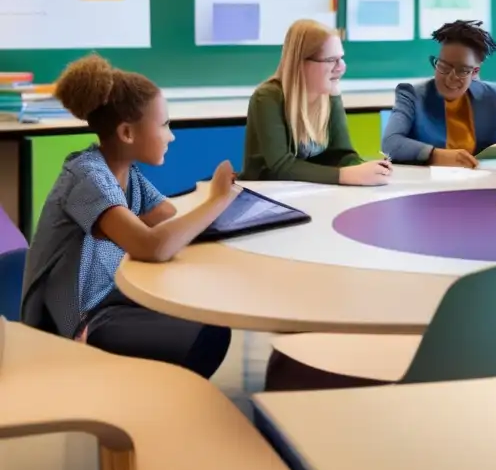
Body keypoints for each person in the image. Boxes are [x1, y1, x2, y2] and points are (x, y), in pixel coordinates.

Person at [20, 55, 235, 378]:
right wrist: (217, 201)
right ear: (127, 133)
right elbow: (150, 245)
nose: (171, 135)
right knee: (205, 335)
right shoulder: (87, 176)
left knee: (208, 314)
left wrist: (218, 209)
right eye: (164, 124)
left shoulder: (125, 174)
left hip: (112, 298)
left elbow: (169, 216)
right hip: (77, 323)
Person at [241, 19, 391, 185]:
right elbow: (281, 166)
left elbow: (341, 154)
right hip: (266, 196)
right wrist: (346, 175)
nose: (341, 67)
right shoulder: (267, 97)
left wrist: (365, 169)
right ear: (302, 63)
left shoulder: (329, 93)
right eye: (331, 60)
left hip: (311, 193)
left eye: (341, 58)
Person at [382, 20, 496, 167]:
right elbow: (390, 142)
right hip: (427, 185)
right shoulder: (412, 94)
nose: (451, 77)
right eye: (443, 66)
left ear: (475, 72)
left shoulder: (494, 95)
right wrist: (437, 156)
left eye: (462, 70)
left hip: (479, 182)